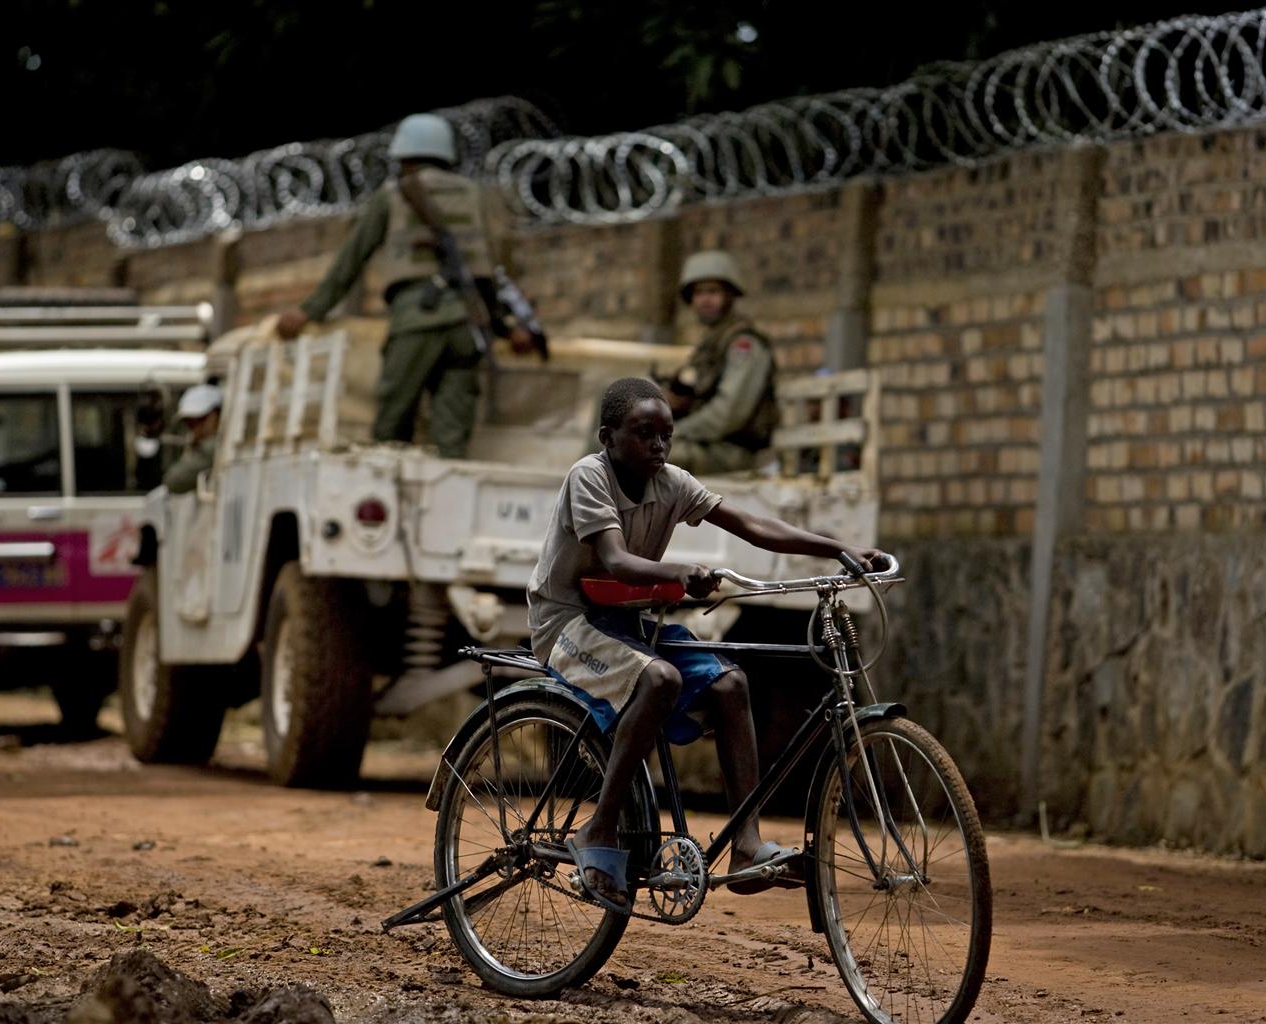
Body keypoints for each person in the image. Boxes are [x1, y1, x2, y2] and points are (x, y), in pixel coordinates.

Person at [526, 376, 882, 913]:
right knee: (660, 678)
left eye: (665, 435)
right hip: (568, 621)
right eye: (644, 434)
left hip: (630, 622)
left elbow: (751, 524)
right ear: (608, 436)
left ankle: (744, 846)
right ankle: (597, 830)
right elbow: (618, 561)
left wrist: (838, 549)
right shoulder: (589, 477)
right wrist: (679, 571)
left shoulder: (671, 481)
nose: (658, 446)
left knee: (731, 682)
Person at [275, 112, 533, 459]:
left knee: (391, 429)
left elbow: (351, 260)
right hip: (467, 325)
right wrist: (509, 327)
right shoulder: (474, 195)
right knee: (452, 439)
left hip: (417, 319)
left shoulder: (394, 195)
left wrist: (309, 311)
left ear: (406, 158)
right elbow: (492, 272)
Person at [662, 250, 778, 475]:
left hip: (732, 452)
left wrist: (673, 431)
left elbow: (727, 416)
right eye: (698, 293)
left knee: (630, 451)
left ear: (730, 295)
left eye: (713, 292)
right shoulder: (710, 344)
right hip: (706, 445)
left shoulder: (744, 344)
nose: (705, 300)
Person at [163, 384, 222, 495]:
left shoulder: (212, 448)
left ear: (215, 415)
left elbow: (173, 481)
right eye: (189, 423)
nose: (195, 428)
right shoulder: (204, 447)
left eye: (200, 419)